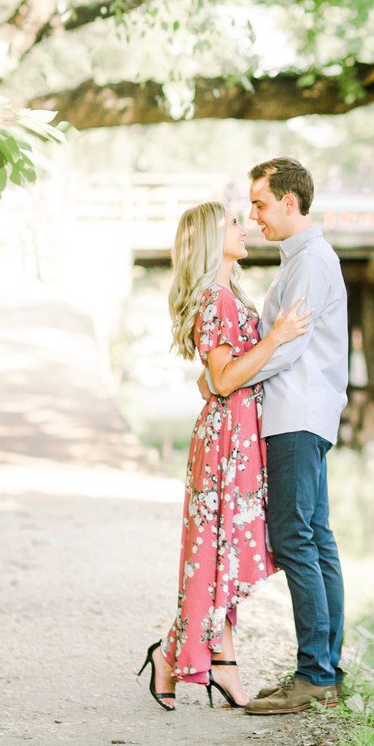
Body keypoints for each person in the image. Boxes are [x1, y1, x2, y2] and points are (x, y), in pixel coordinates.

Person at [137, 201, 311, 711]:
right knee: (218, 555)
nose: (246, 226)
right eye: (235, 222)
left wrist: (223, 381)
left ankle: (200, 659)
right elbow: (227, 377)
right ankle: (195, 658)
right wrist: (276, 336)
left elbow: (211, 379)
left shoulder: (228, 295)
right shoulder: (216, 299)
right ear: (214, 238)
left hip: (236, 438)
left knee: (224, 556)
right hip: (227, 446)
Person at [207, 157, 349, 715]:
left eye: (261, 204)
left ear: (290, 202)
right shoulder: (301, 260)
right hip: (304, 414)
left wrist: (228, 378)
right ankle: (325, 672)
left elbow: (287, 348)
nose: (254, 216)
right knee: (315, 538)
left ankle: (315, 675)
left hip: (296, 415)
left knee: (296, 539)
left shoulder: (311, 262)